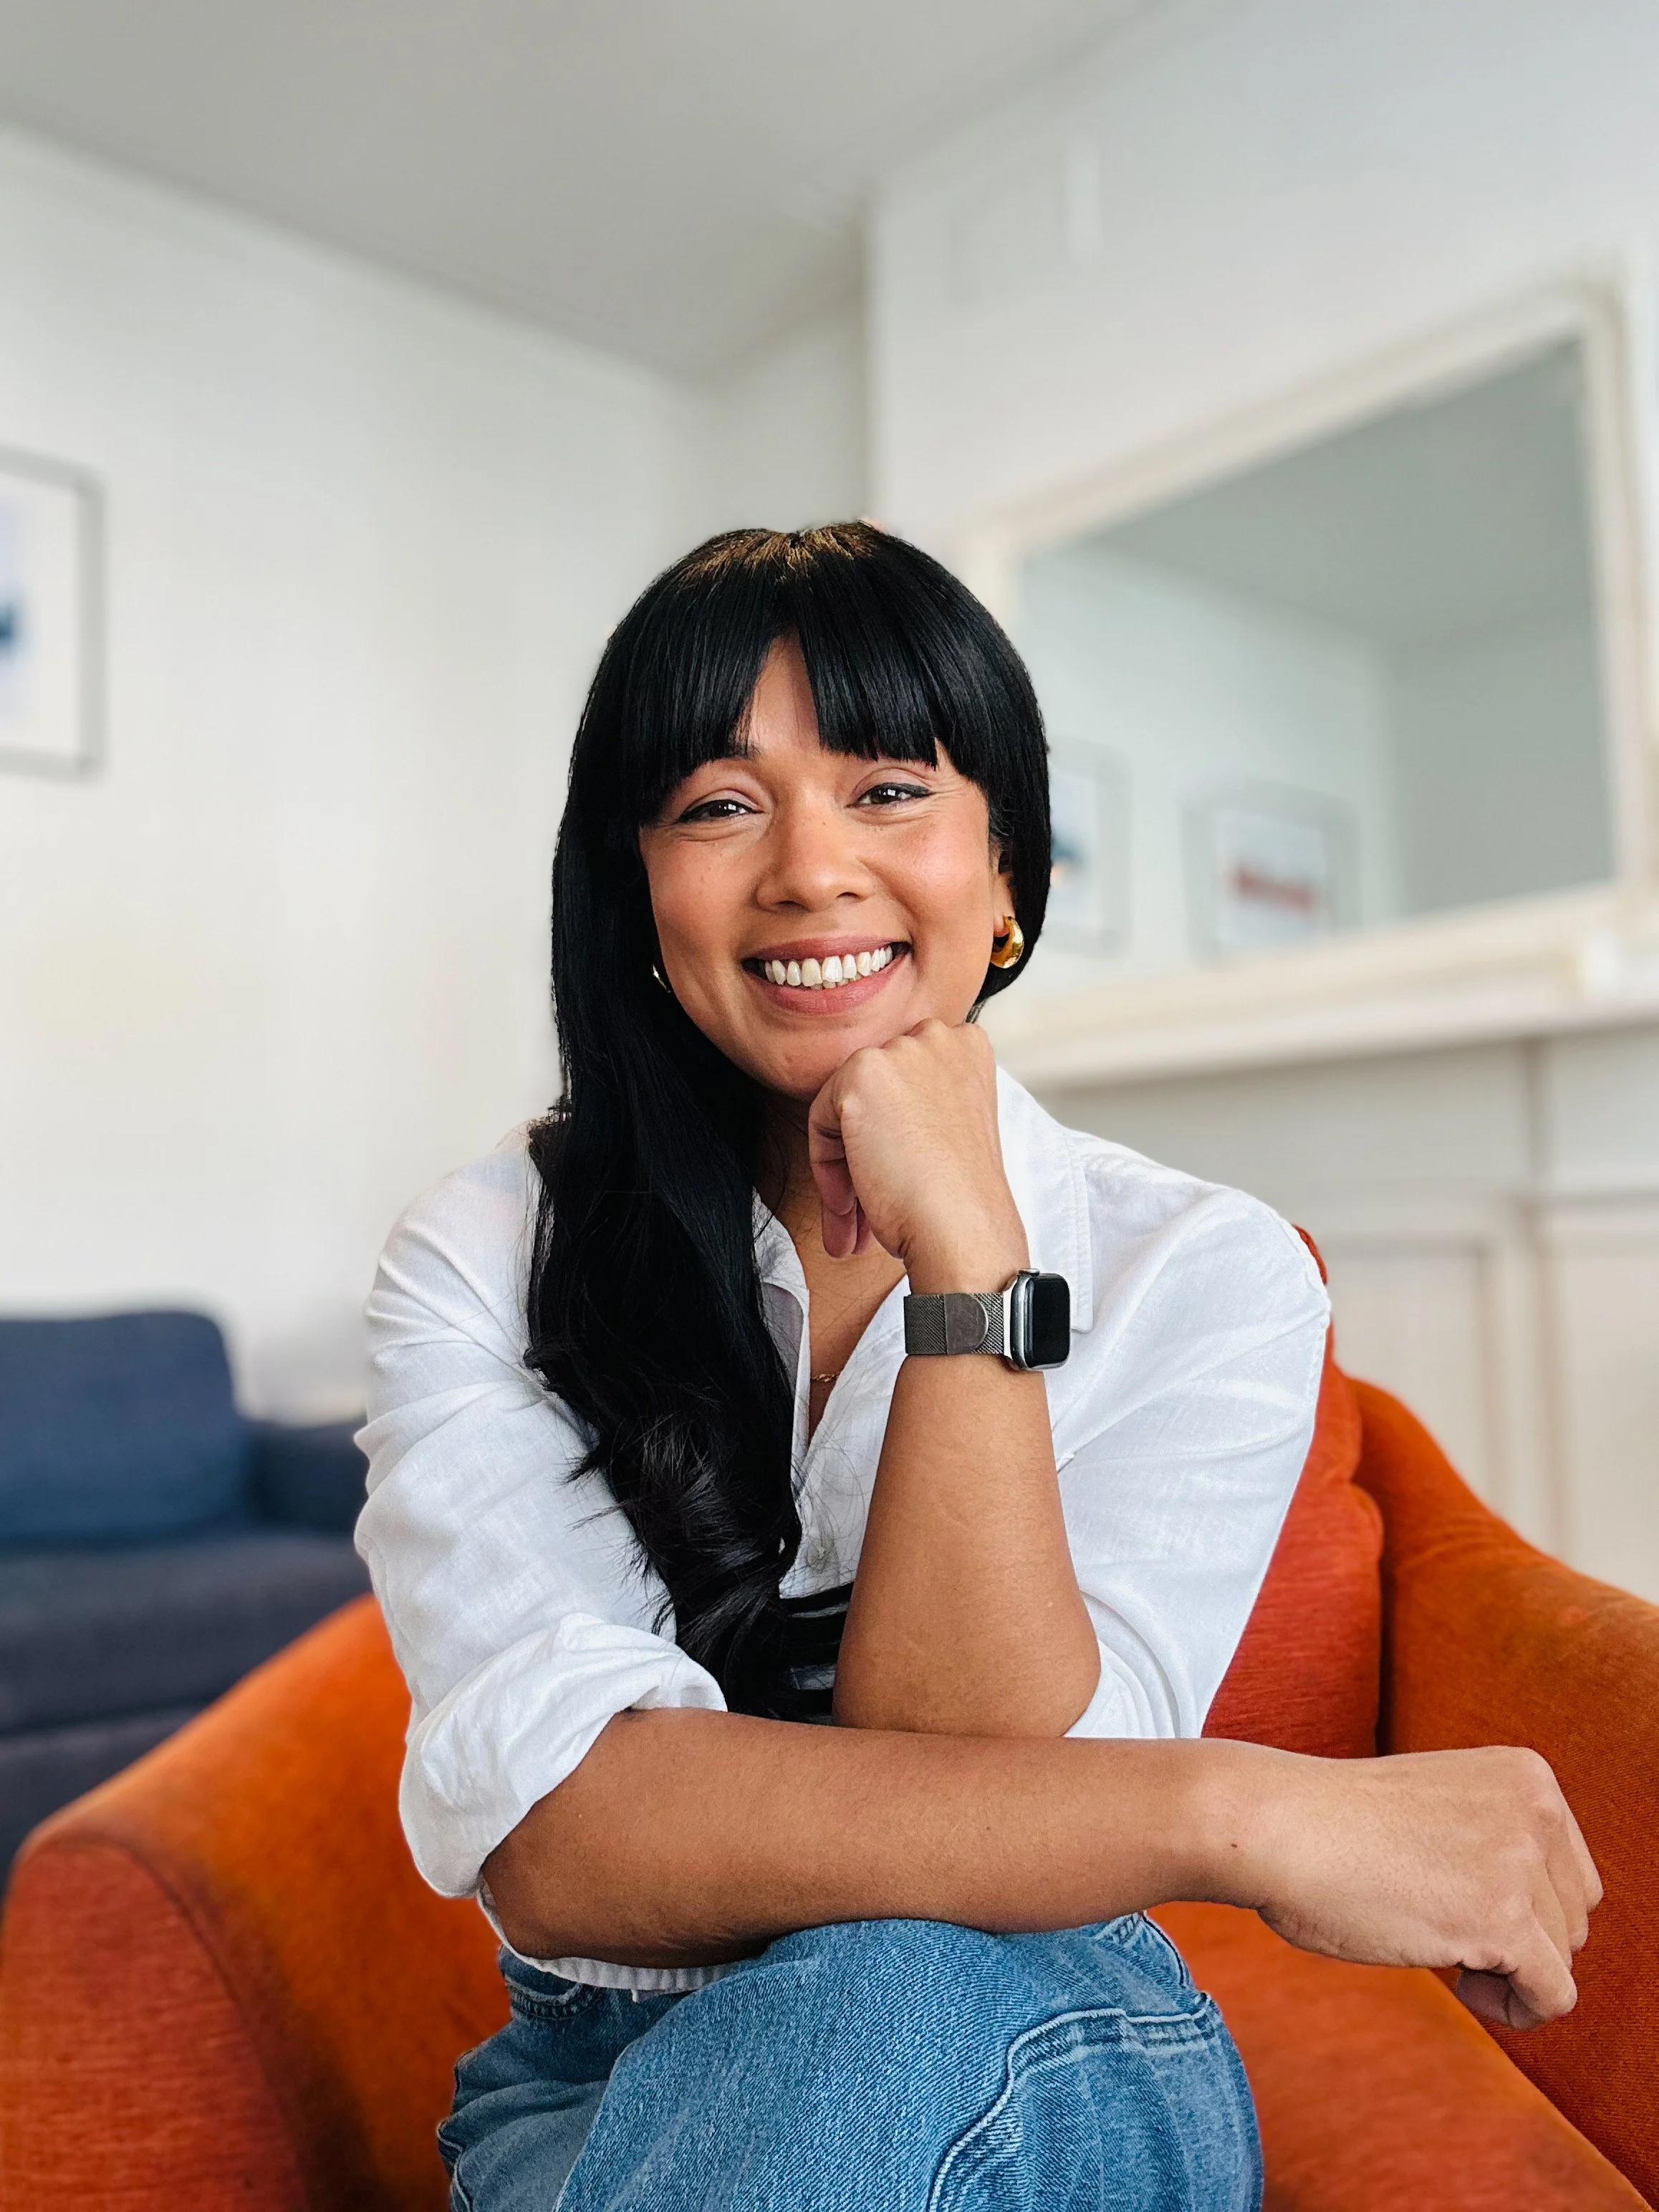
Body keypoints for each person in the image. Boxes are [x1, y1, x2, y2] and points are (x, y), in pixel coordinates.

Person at [357, 524, 1600, 2212]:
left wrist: (972, 1273)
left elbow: (997, 1768)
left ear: (1006, 871)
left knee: (904, 1993)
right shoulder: (488, 1247)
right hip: (605, 2071)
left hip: (1048, 2018)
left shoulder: (1208, 1269)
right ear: (637, 887)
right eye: (719, 804)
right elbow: (568, 1840)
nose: (807, 868)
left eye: (888, 789)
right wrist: (1244, 1814)